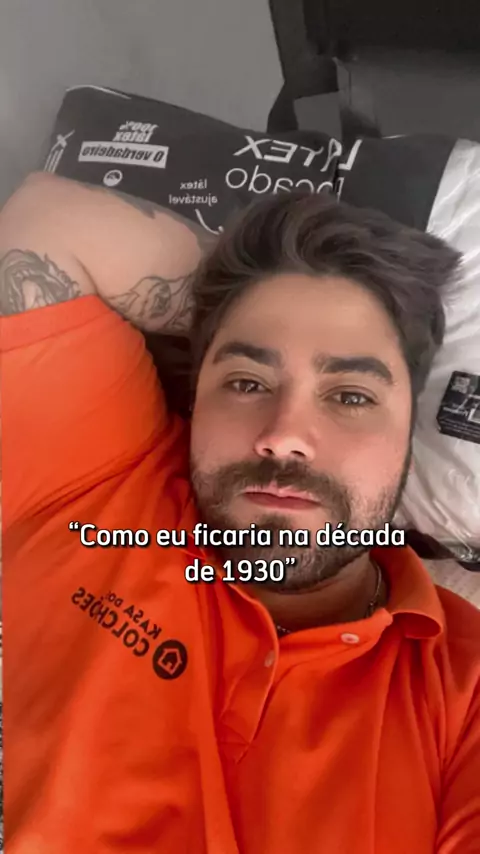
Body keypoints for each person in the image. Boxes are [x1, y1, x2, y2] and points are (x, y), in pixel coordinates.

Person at [1, 172, 479, 854]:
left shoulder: (464, 691)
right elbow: (44, 220)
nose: (284, 435)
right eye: (247, 382)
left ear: (410, 434)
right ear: (198, 398)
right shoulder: (95, 487)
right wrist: (243, 296)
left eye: (350, 396)